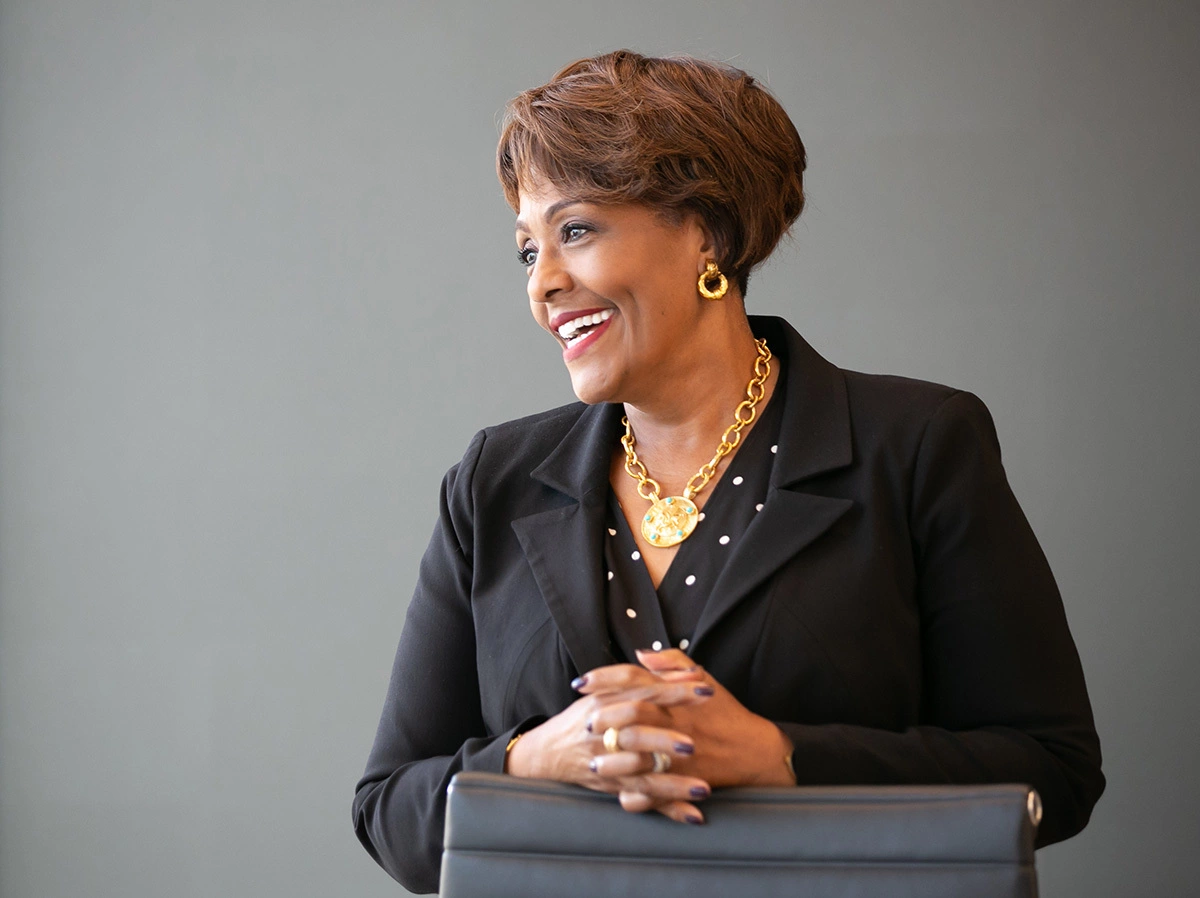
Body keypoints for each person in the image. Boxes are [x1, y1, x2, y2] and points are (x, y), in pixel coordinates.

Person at [352, 50, 1104, 893]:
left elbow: (1055, 769)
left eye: (576, 231)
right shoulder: (494, 480)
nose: (545, 284)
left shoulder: (919, 447)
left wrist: (782, 756)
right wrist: (534, 757)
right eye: (528, 251)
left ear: (705, 231)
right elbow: (388, 810)